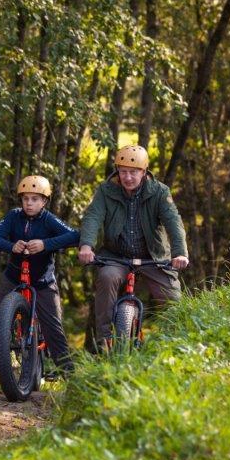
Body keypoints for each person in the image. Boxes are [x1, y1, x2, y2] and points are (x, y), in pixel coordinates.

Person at [0, 175, 78, 388]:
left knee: (53, 328)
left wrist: (46, 244)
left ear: (44, 201)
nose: (29, 203)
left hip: (42, 281)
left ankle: (73, 381)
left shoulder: (49, 219)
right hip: (13, 277)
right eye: (26, 199)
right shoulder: (13, 216)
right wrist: (11, 246)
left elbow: (75, 236)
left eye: (35, 199)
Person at [77, 144, 189, 351]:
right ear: (117, 171)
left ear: (144, 172)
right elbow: (93, 216)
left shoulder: (159, 192)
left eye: (133, 172)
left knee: (172, 300)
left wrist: (180, 253)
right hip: (116, 255)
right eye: (123, 172)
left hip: (153, 257)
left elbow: (174, 222)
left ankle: (177, 345)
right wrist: (86, 246)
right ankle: (104, 341)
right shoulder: (105, 190)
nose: (127, 177)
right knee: (107, 277)